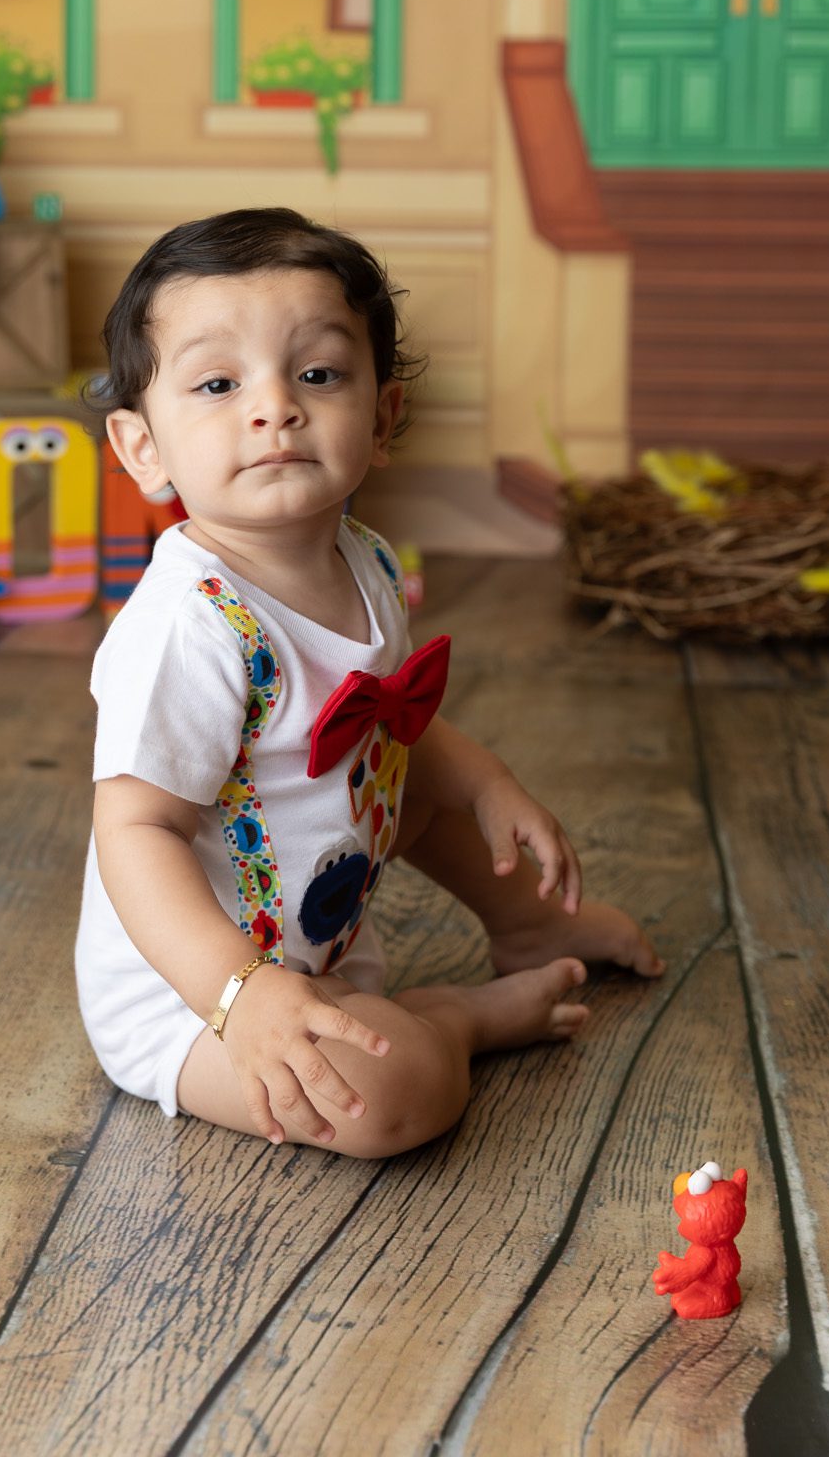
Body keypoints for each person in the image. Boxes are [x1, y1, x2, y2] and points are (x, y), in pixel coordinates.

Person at [74, 207, 664, 1157]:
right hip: (190, 1001)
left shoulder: (367, 564)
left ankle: (525, 926)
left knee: (421, 793)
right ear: (143, 449)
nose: (275, 406)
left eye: (316, 373)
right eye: (219, 383)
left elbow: (389, 728)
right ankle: (461, 1021)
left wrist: (486, 783)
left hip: (319, 945)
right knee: (388, 1104)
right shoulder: (186, 628)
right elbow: (134, 832)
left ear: (382, 416)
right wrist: (241, 993)